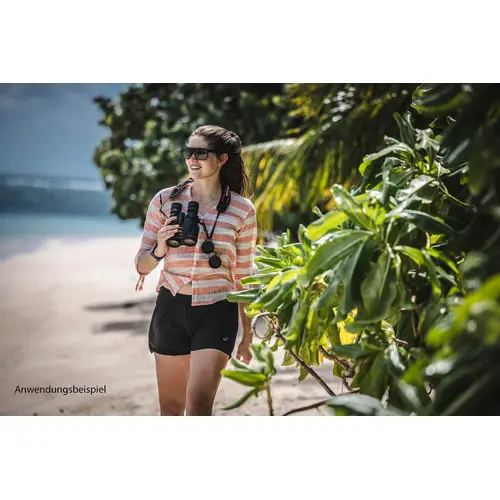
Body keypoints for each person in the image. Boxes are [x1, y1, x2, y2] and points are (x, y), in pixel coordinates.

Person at [134, 125, 258, 416]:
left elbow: (244, 276)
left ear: (222, 159)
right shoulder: (164, 201)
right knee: (171, 410)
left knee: (200, 407)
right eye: (189, 151)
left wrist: (248, 334)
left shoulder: (242, 209)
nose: (192, 159)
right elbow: (141, 265)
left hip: (217, 309)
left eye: (201, 153)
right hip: (171, 307)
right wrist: (159, 248)